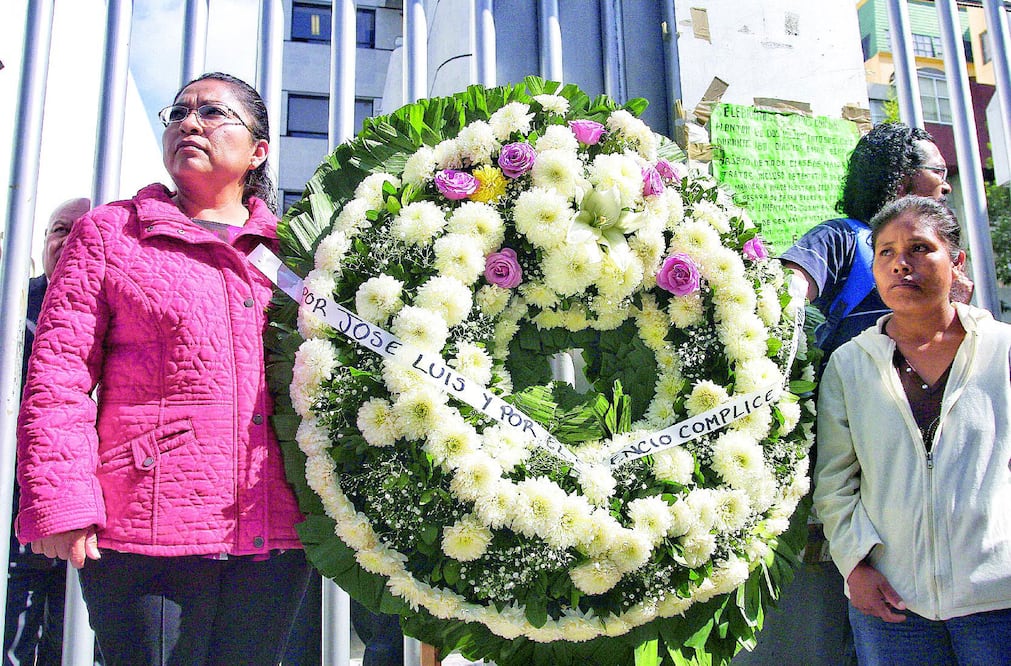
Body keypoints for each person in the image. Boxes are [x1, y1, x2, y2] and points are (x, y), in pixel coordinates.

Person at [16, 72, 311, 665]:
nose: (189, 122)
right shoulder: (112, 233)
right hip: (146, 526)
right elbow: (58, 374)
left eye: (212, 112)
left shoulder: (293, 252)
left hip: (272, 524)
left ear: (259, 150)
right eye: (178, 112)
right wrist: (62, 501)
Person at [735, 122, 963, 666]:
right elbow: (781, 293)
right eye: (940, 171)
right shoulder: (845, 237)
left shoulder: (944, 261)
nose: (948, 185)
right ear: (902, 176)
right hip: (863, 455)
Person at [814, 195, 1011, 665]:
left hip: (997, 601)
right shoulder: (850, 365)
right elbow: (835, 483)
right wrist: (855, 568)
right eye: (886, 252)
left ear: (956, 261)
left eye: (920, 248)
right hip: (891, 603)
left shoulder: (1001, 352)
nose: (901, 264)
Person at [5, 197, 89, 666]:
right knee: (13, 632)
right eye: (60, 229)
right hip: (17, 502)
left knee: (74, 639)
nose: (70, 239)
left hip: (87, 511)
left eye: (82, 229)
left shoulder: (117, 312)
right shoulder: (11, 307)